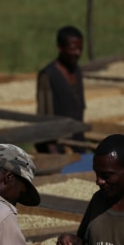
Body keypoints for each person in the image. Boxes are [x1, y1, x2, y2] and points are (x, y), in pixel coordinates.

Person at [35, 25, 86, 154]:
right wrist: (54, 152)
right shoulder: (48, 75)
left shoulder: (77, 71)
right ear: (60, 48)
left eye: (80, 49)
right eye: (73, 49)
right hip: (57, 147)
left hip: (77, 144)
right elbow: (44, 116)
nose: (78, 53)